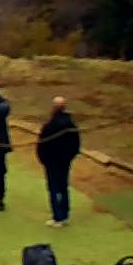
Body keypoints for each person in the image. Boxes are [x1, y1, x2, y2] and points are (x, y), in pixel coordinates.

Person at [36, 96, 81, 227]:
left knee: (54, 188)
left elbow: (42, 144)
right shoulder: (71, 124)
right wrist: (70, 157)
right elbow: (76, 144)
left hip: (52, 162)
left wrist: (43, 159)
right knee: (63, 186)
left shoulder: (49, 126)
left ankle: (58, 216)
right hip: (64, 161)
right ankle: (65, 215)